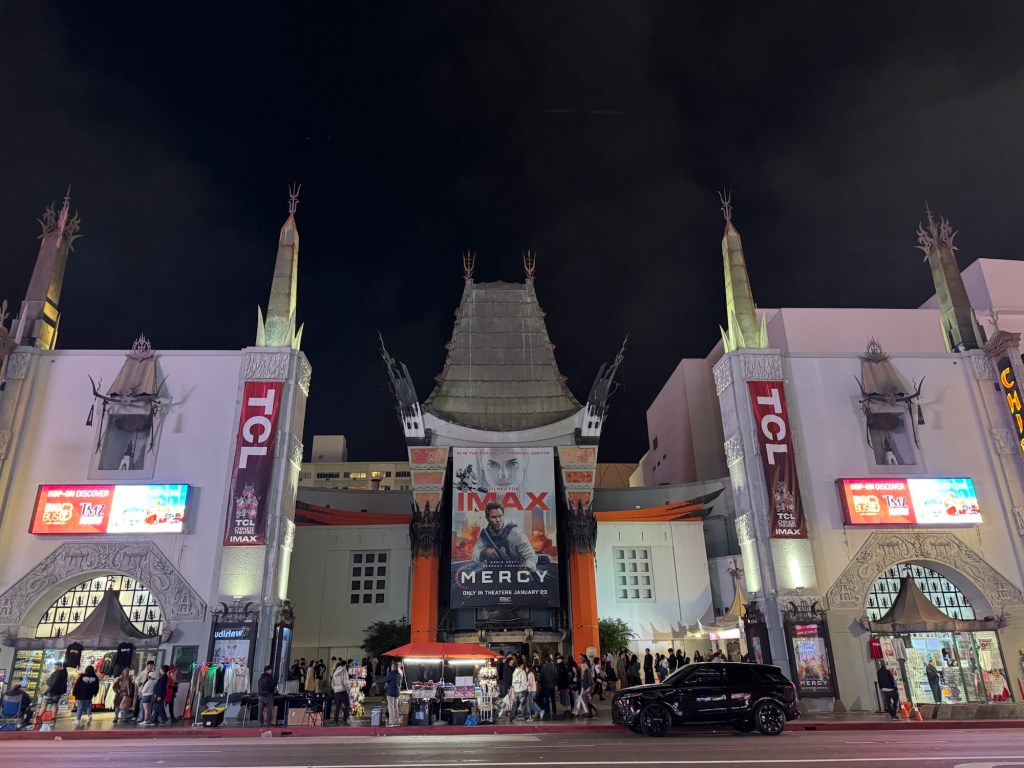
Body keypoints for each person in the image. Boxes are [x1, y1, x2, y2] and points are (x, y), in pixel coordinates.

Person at [471, 502, 538, 570]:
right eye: (493, 517)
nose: (498, 520)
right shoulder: (484, 534)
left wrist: (527, 568)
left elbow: (531, 556)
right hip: (494, 573)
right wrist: (484, 552)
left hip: (516, 572)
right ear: (487, 518)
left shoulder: (515, 533)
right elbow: (474, 557)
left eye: (500, 516)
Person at [381, 661, 403, 727]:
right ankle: (396, 721)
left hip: (391, 692)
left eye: (392, 666)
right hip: (397, 692)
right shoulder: (400, 672)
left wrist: (376, 682)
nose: (391, 668)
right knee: (396, 707)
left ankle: (392, 722)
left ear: (393, 667)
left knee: (391, 707)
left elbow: (384, 679)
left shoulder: (392, 673)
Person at [137, 660, 157, 725]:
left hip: (147, 692)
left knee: (146, 707)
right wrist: (139, 684)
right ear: (147, 665)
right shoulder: (143, 672)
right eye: (150, 666)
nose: (151, 667)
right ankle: (142, 718)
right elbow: (138, 680)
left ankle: (146, 719)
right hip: (144, 690)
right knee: (142, 706)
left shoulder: (153, 673)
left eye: (152, 666)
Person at [331, 659, 351, 725]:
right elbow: (346, 682)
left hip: (336, 691)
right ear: (345, 665)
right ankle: (345, 720)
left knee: (337, 706)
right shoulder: (344, 671)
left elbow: (332, 683)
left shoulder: (335, 671)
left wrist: (335, 689)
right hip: (343, 690)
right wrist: (348, 690)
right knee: (347, 705)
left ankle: (335, 721)